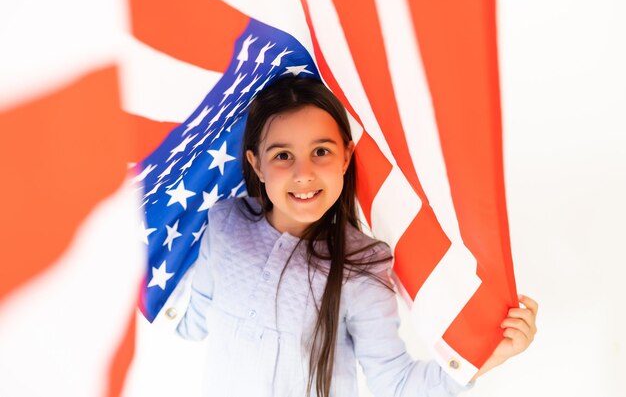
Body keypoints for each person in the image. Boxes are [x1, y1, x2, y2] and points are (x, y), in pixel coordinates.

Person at [176, 76, 538, 397]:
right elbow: (194, 323)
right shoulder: (224, 223)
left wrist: (483, 357)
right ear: (256, 164)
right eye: (283, 155)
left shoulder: (362, 262)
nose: (304, 174)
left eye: (321, 152)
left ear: (346, 157)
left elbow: (393, 382)